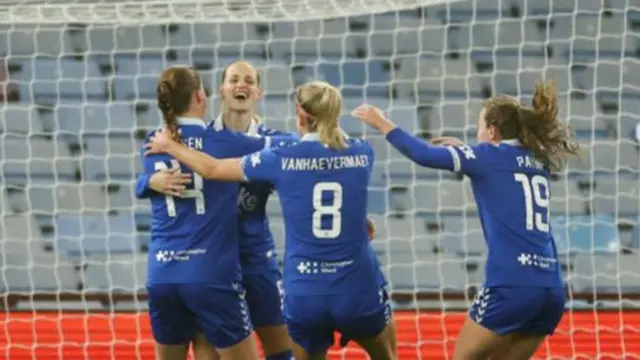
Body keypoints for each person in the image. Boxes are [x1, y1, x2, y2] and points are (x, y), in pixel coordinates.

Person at [144, 81, 397, 360]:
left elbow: (212, 168)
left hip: (302, 287)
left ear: (300, 114)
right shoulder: (362, 151)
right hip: (355, 286)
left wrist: (168, 146)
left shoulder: (279, 157)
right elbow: (335, 181)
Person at [352, 81, 579, 360]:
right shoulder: (537, 160)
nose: (477, 134)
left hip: (511, 284)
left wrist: (382, 123)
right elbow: (501, 170)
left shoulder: (486, 156)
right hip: (551, 288)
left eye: (480, 127)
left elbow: (424, 155)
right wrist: (467, 152)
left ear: (493, 130)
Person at [136, 61, 294, 360]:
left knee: (282, 344)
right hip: (214, 262)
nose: (241, 85)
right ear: (214, 92)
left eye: (249, 80)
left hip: (252, 255)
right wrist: (147, 182)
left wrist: (145, 182)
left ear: (259, 91)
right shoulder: (224, 141)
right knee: (209, 351)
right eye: (234, 79)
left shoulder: (162, 140)